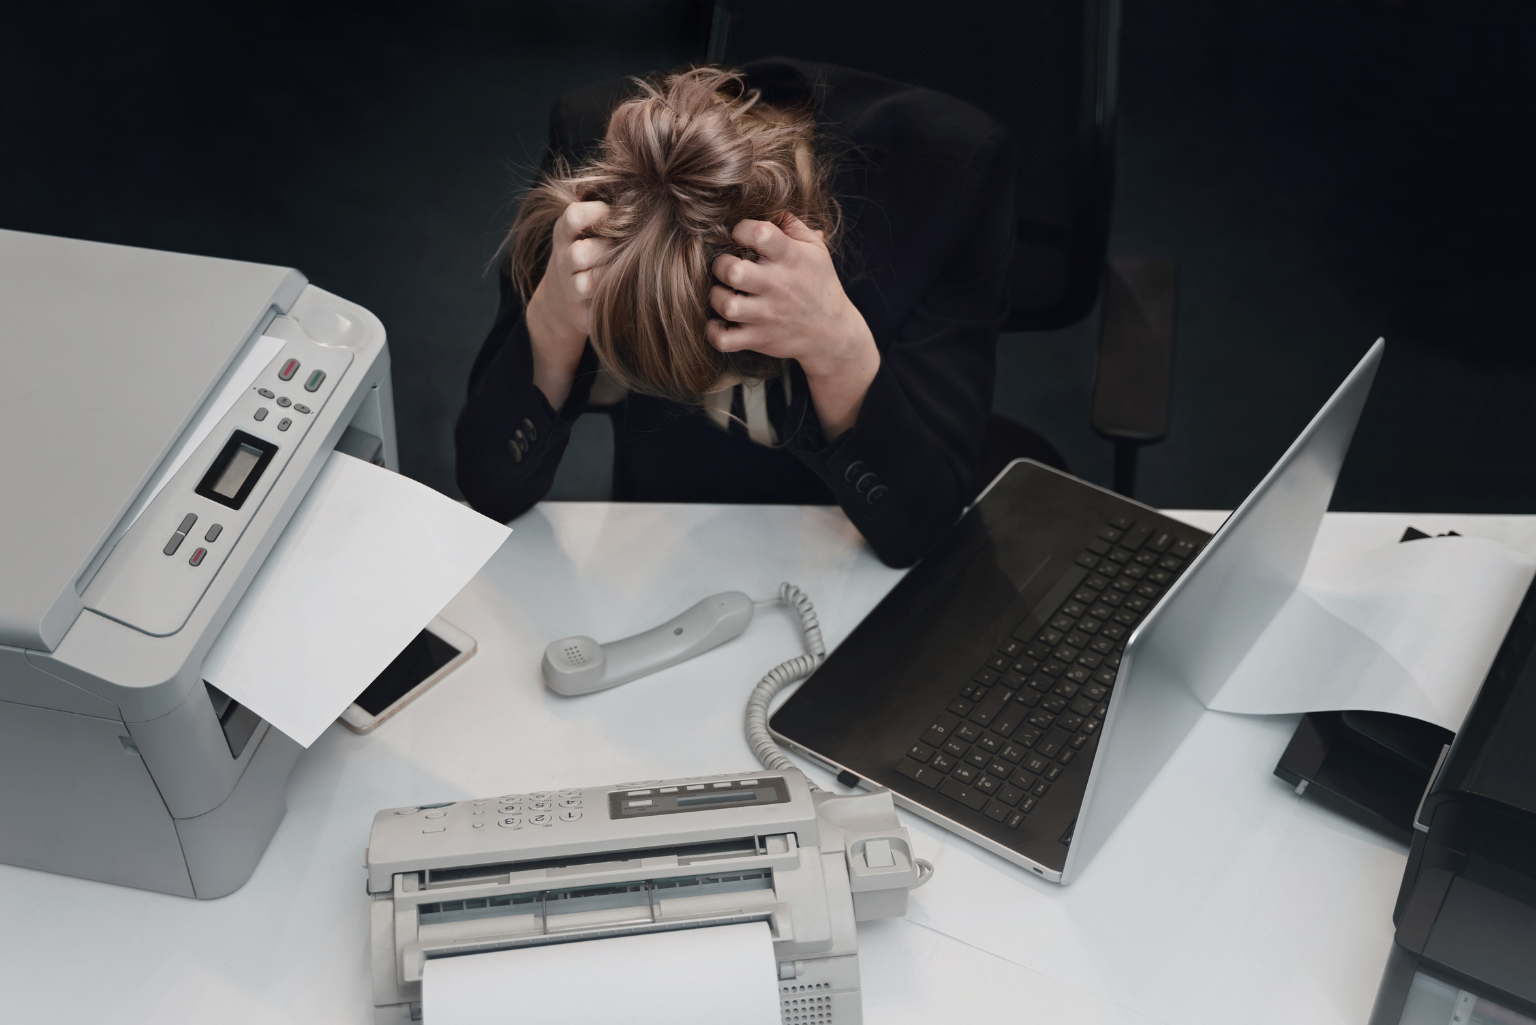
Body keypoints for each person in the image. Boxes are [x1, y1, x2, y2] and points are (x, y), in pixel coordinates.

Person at [456, 58, 1020, 567]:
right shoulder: (590, 149)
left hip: (850, 528)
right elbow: (489, 487)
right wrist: (553, 318)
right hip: (667, 513)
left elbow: (919, 531)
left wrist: (837, 346)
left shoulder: (953, 172)